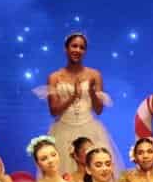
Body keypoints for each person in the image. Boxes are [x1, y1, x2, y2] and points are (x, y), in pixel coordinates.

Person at [41, 32, 113, 169]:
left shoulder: (94, 75)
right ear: (66, 49)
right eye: (74, 46)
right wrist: (73, 96)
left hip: (89, 129)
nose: (77, 50)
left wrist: (91, 91)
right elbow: (54, 111)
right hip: (63, 131)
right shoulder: (54, 77)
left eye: (82, 47)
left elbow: (99, 110)